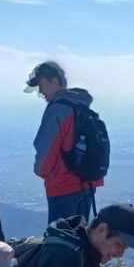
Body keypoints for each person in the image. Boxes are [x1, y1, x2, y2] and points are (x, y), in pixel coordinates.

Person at [26, 61, 104, 223]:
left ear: (55, 81)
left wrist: (39, 170)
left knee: (60, 236)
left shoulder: (57, 110)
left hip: (63, 187)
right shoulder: (81, 106)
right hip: (88, 184)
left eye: (41, 85)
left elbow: (46, 157)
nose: (40, 91)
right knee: (80, 234)